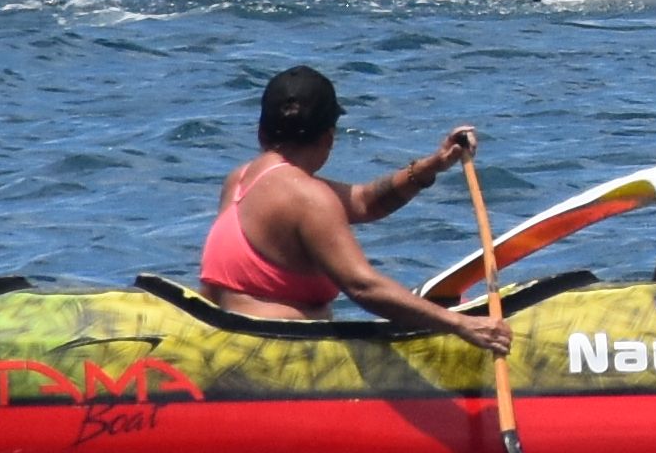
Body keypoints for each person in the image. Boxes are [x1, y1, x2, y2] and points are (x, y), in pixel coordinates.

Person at [194, 65, 505, 346]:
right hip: (280, 357)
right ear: (328, 138)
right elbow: (363, 287)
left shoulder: (240, 180)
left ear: (261, 132)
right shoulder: (308, 198)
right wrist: (461, 324)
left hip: (229, 343)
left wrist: (433, 165)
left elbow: (363, 202)